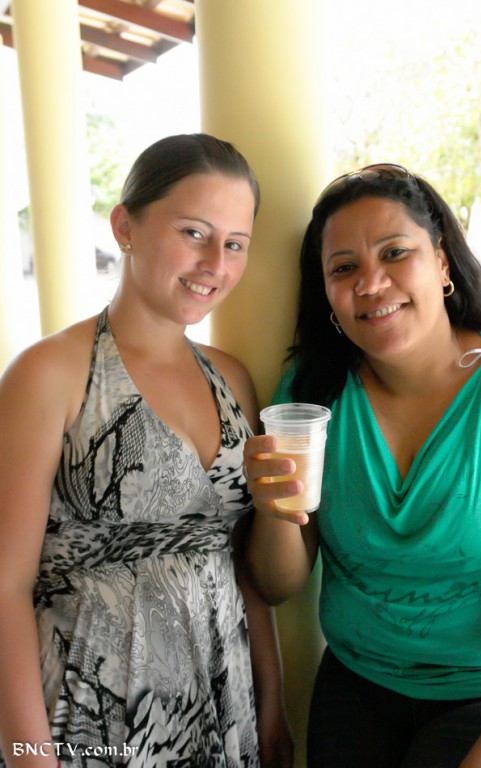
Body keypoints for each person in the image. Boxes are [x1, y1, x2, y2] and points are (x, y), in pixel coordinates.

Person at [0, 134, 293, 768]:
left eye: (235, 244)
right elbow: (4, 584)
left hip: (222, 710)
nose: (215, 262)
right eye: (194, 232)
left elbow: (237, 562)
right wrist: (29, 756)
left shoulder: (232, 378)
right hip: (90, 715)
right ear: (125, 227)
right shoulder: (49, 373)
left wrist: (272, 706)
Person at [243, 163, 481, 767]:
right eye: (344, 268)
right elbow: (278, 584)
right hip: (356, 684)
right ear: (327, 295)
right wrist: (273, 509)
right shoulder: (311, 394)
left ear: (441, 261)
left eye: (395, 253)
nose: (371, 283)